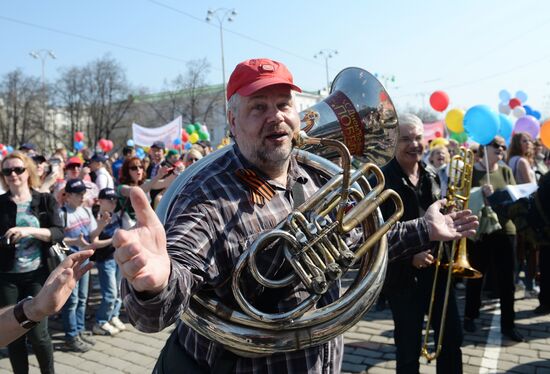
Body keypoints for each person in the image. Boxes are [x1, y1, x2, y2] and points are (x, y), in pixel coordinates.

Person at [112, 58, 478, 373]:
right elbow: (156, 310)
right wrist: (154, 284)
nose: (277, 117)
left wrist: (426, 228)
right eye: (258, 107)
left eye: (284, 105)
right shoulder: (205, 196)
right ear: (232, 120)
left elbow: (357, 241)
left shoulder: (317, 174)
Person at [379, 114, 463, 374]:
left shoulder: (432, 174)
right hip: (403, 278)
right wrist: (409, 257)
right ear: (393, 142)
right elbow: (373, 235)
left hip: (438, 271)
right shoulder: (381, 179)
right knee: (408, 350)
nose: (414, 144)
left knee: (451, 340)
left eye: (418, 138)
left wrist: (453, 220)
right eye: (406, 139)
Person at [0, 151, 64, 374]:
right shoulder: (1, 203)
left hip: (38, 274)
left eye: (18, 169)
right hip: (8, 278)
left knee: (39, 335)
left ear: (28, 171)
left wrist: (28, 230)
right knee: (14, 335)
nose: (13, 174)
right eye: (7, 171)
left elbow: (58, 232)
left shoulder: (44, 200)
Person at [464, 136, 524, 342]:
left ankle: (509, 324)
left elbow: (514, 197)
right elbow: (462, 200)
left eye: (503, 147)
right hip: (480, 231)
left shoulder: (506, 170)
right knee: (476, 276)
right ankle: (470, 315)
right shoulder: (472, 170)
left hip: (505, 230)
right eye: (496, 146)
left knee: (507, 281)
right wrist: (479, 193)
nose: (501, 149)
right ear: (484, 147)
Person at [0, 250, 94, 347]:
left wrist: (35, 308)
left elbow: (57, 234)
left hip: (37, 274)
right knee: (20, 343)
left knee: (40, 337)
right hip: (7, 276)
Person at [60, 178, 108, 352]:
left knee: (82, 298)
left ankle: (79, 330)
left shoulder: (87, 211)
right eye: (78, 194)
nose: (82, 197)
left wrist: (101, 225)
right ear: (68, 195)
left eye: (83, 193)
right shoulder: (62, 213)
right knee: (71, 300)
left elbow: (92, 235)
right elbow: (57, 238)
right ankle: (71, 335)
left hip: (85, 259)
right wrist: (75, 241)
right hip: (70, 261)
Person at [89, 188, 126, 336]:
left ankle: (113, 316)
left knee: (118, 291)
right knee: (110, 294)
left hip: (117, 257)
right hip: (105, 260)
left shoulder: (115, 215)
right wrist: (113, 239)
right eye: (109, 200)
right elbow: (94, 241)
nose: (113, 203)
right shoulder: (96, 217)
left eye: (115, 200)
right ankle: (101, 321)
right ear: (100, 201)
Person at [507, 132, 538, 297]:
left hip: (515, 209)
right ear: (518, 144)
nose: (528, 143)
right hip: (526, 209)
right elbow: (531, 188)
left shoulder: (510, 160)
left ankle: (517, 282)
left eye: (529, 140)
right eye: (524, 141)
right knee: (529, 249)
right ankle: (529, 286)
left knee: (519, 248)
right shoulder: (522, 161)